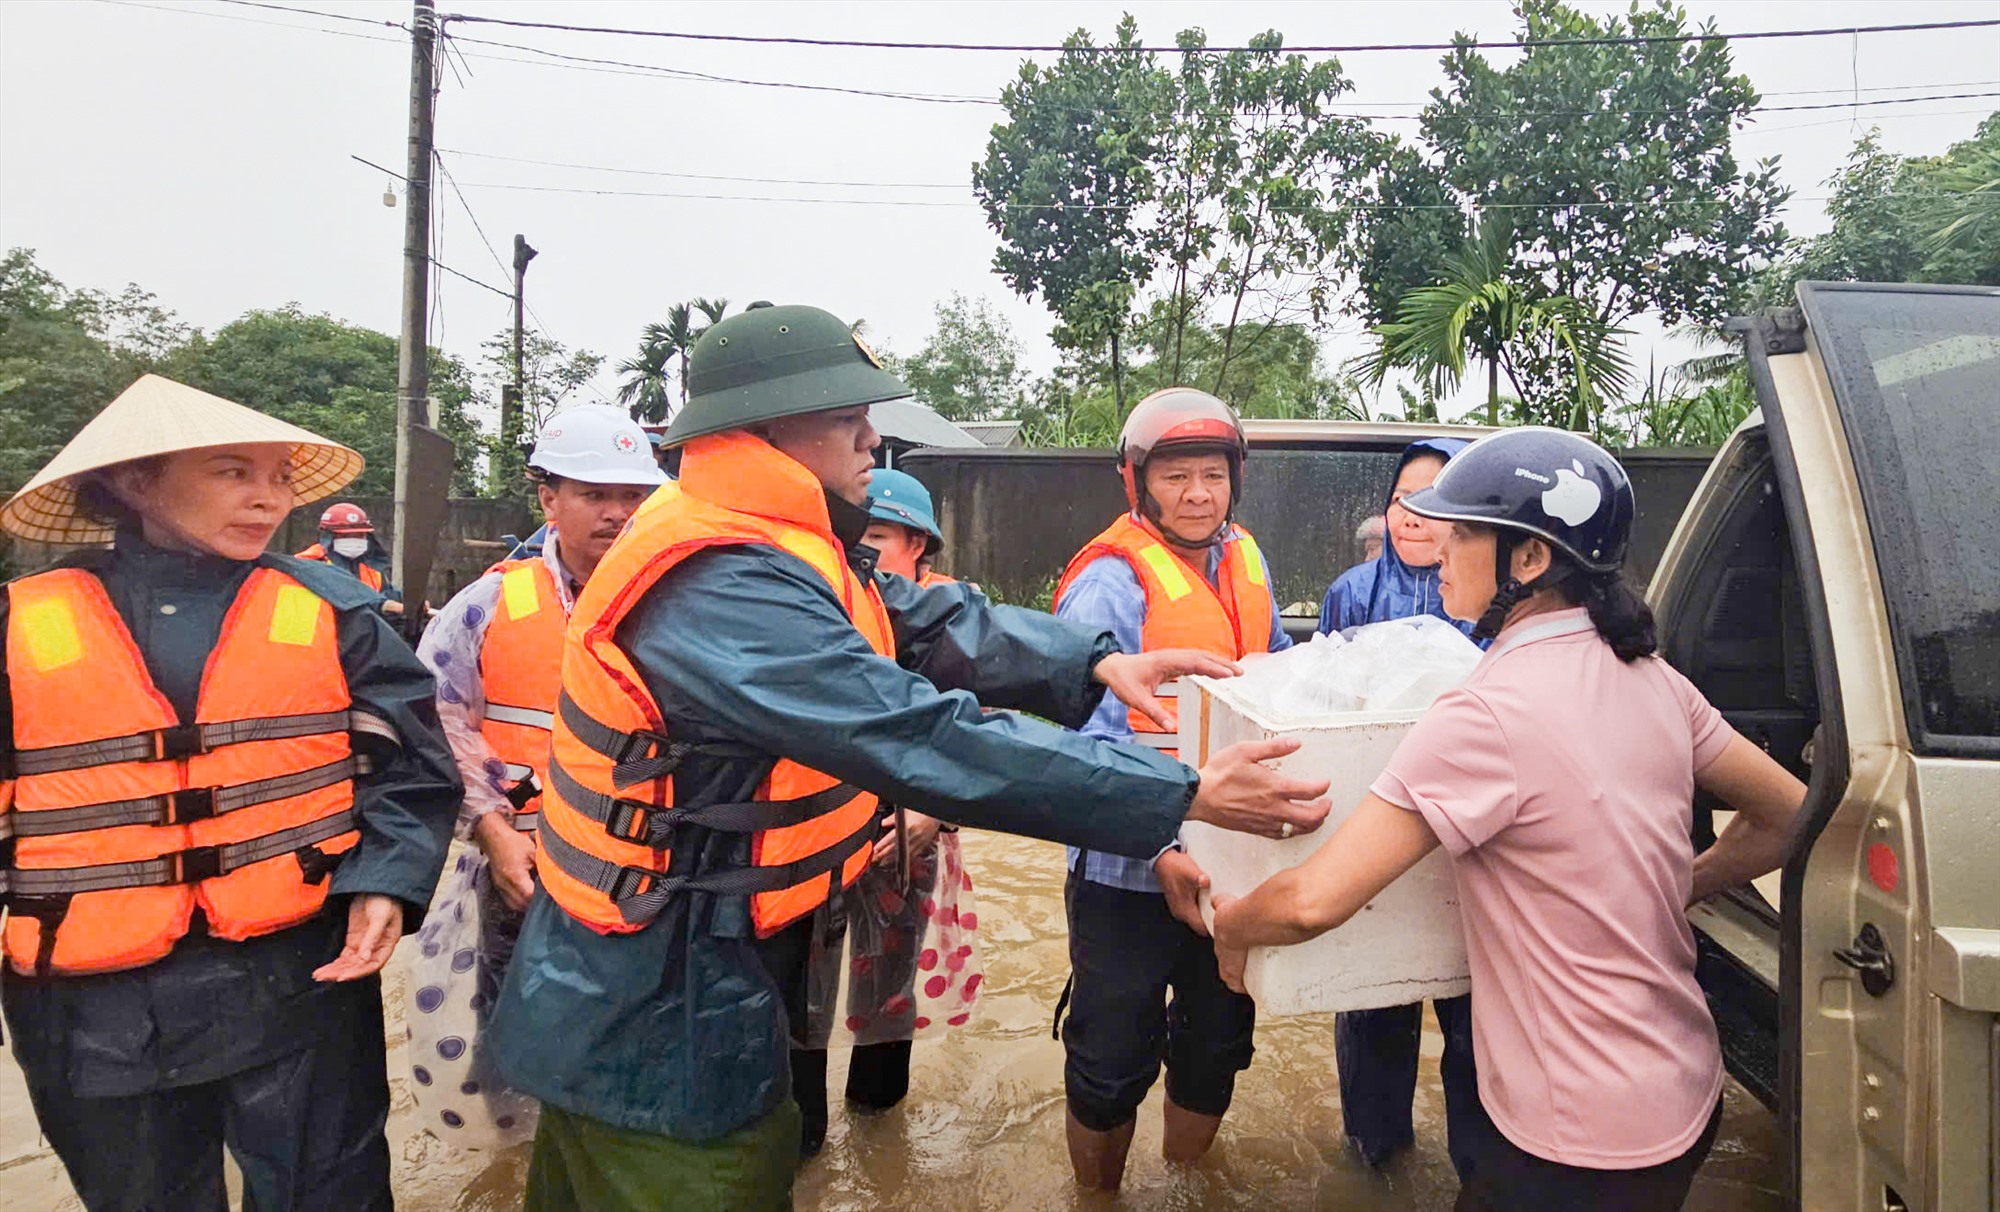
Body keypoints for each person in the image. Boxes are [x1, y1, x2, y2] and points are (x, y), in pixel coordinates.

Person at [485, 303, 1332, 1212]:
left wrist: (1092, 661)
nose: (870, 436)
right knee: (711, 1175)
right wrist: (1182, 792)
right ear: (766, 434)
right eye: (846, 418)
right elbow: (918, 734)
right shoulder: (717, 582)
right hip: (653, 993)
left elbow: (922, 616)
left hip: (683, 954)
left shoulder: (768, 538)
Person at [1211, 427, 1808, 1212]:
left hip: (1571, 1143)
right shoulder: (1658, 680)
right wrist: (1681, 885)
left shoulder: (1485, 710)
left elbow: (1310, 902)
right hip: (1686, 1091)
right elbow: (1793, 815)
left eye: (1460, 533)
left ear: (1527, 562)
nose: (1439, 547)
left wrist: (1230, 929)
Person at [0, 374, 459, 1211]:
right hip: (93, 1005)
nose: (267, 498)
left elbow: (413, 770)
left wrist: (387, 881)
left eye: (280, 476)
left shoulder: (334, 611)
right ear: (135, 480)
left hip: (299, 975)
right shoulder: (22, 625)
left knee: (330, 1193)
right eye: (232, 472)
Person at [1049, 386, 1292, 1192]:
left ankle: (1190, 1187)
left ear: (1234, 482)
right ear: (1139, 484)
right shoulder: (1109, 584)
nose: (1198, 494)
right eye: (1177, 476)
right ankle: (1098, 1199)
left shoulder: (1246, 559)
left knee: (1218, 1039)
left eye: (1213, 476)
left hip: (1231, 860)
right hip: (1129, 867)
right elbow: (1083, 742)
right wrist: (1159, 845)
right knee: (1111, 1054)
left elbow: (1280, 683)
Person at [412, 405, 666, 1134]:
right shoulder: (487, 606)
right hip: (522, 871)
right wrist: (490, 831)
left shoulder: (684, 602)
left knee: (633, 1049)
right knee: (516, 1048)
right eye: (595, 493)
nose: (619, 513)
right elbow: (437, 720)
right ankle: (520, 1166)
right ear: (548, 499)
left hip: (647, 872)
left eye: (634, 495)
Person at [1316, 437, 1481, 1173]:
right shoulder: (1351, 592)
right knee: (1373, 1000)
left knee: (1476, 1015)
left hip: (1471, 840)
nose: (1413, 515)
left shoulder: (1490, 600)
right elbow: (1320, 700)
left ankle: (1481, 1159)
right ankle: (1374, 1154)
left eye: (1433, 500)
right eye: (1402, 498)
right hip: (1374, 823)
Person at [790, 466, 960, 1157]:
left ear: (918, 546)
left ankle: (879, 1138)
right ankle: (804, 1145)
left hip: (905, 838)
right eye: (848, 535)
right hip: (812, 839)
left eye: (879, 537)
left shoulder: (950, 626)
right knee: (803, 994)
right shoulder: (810, 611)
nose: (860, 549)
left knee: (888, 989)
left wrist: (933, 814)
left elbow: (979, 739)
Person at [297, 502, 406, 618]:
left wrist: (411, 602)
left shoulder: (372, 567)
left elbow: (389, 593)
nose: (353, 540)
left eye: (359, 535)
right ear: (329, 536)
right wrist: (383, 605)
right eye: (345, 536)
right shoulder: (310, 565)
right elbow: (345, 597)